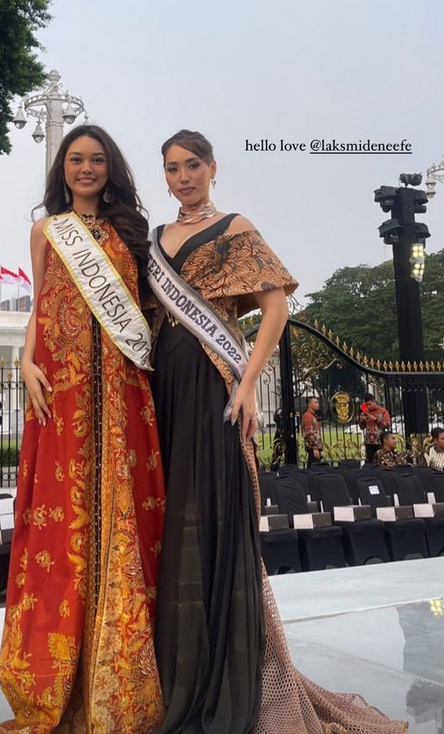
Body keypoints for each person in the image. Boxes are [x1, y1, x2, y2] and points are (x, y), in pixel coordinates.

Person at [148, 129, 408, 734]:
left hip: (215, 385)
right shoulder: (155, 241)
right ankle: (176, 673)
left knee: (215, 519)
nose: (183, 177)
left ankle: (230, 677)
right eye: (172, 169)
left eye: (193, 166)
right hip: (163, 387)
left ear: (213, 168)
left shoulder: (236, 228)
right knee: (172, 520)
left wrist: (246, 383)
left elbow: (276, 307)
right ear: (163, 176)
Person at [0, 125, 166, 734]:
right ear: (62, 170)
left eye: (96, 160)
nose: (86, 169)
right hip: (61, 391)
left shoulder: (130, 234)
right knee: (62, 520)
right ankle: (58, 678)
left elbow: (149, 312)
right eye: (75, 160)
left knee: (124, 516)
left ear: (110, 167)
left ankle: (121, 681)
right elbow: (41, 305)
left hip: (121, 392)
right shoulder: (46, 230)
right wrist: (25, 361)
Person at [359, 396, 391, 464]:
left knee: (381, 460)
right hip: (369, 441)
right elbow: (361, 427)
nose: (368, 406)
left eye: (370, 404)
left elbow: (387, 425)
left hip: (379, 441)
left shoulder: (383, 411)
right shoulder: (366, 412)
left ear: (374, 401)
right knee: (370, 461)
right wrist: (362, 420)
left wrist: (375, 419)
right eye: (367, 405)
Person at [302, 396, 323, 467]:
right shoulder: (308, 416)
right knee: (314, 467)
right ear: (309, 404)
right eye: (315, 403)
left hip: (315, 447)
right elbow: (309, 433)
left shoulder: (312, 416)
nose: (318, 404)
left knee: (314, 466)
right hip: (313, 448)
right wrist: (314, 448)